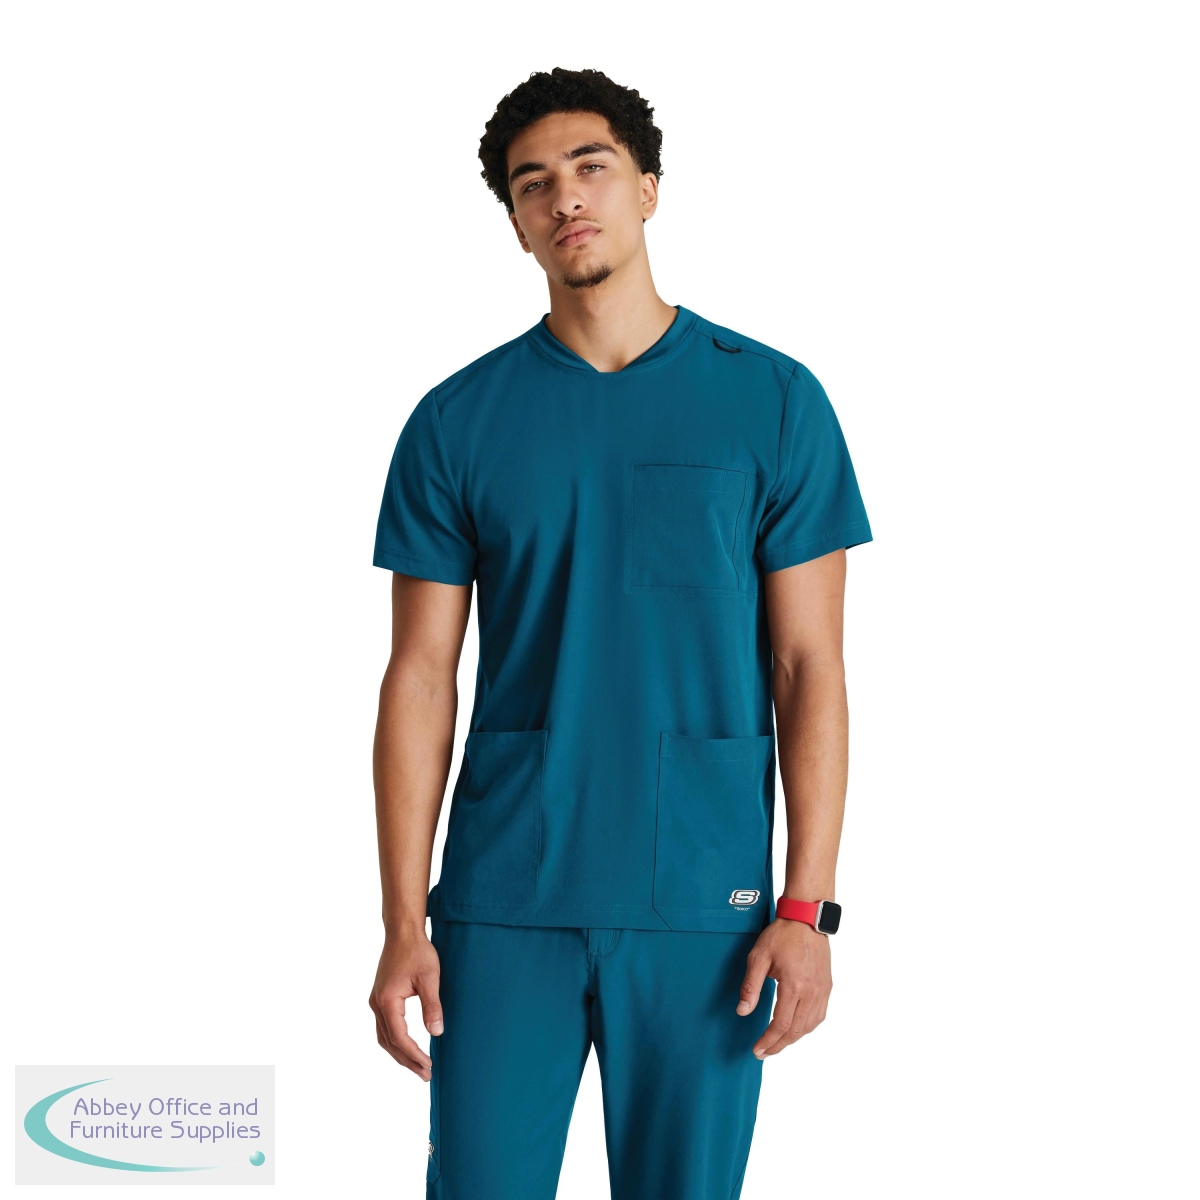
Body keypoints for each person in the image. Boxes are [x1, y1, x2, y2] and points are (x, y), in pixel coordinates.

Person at [368, 67, 872, 1200]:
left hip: (704, 903)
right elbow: (419, 677)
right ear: (515, 222)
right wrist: (403, 920)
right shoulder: (458, 422)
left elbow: (810, 667)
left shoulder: (774, 402)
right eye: (531, 183)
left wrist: (807, 907)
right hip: (504, 900)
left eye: (590, 167)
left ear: (648, 188)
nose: (564, 197)